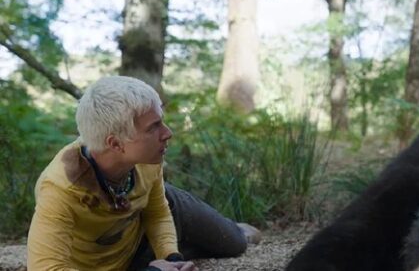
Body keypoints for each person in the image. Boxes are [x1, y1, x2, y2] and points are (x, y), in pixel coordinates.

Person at [27, 76, 258, 270]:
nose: (167, 133)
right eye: (153, 127)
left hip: (144, 227)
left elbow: (157, 212)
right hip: (118, 260)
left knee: (235, 244)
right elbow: (46, 267)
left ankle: (236, 230)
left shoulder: (148, 158)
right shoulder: (60, 189)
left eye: (162, 122)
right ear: (116, 144)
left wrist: (171, 258)